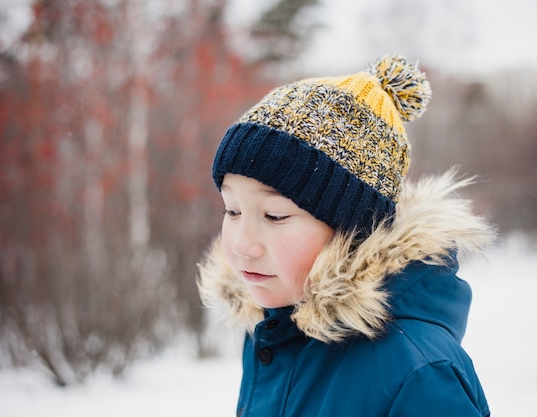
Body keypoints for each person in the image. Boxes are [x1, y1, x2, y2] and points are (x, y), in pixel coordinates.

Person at [198, 53, 495, 417]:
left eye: (274, 215)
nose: (242, 243)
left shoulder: (417, 371)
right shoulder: (272, 330)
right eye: (232, 210)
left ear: (354, 232)